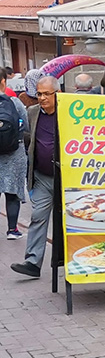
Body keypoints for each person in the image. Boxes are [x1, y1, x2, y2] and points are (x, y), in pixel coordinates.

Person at [11, 75, 59, 278]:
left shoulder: (69, 114)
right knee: (38, 217)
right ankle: (32, 262)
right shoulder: (32, 113)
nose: (42, 98)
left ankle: (72, 260)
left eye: (47, 94)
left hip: (65, 179)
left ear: (58, 94)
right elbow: (30, 139)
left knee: (69, 221)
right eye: (39, 93)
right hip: (41, 177)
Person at [0, 69, 28, 240]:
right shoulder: (14, 102)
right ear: (4, 81)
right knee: (12, 193)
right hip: (13, 153)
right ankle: (12, 230)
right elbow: (25, 124)